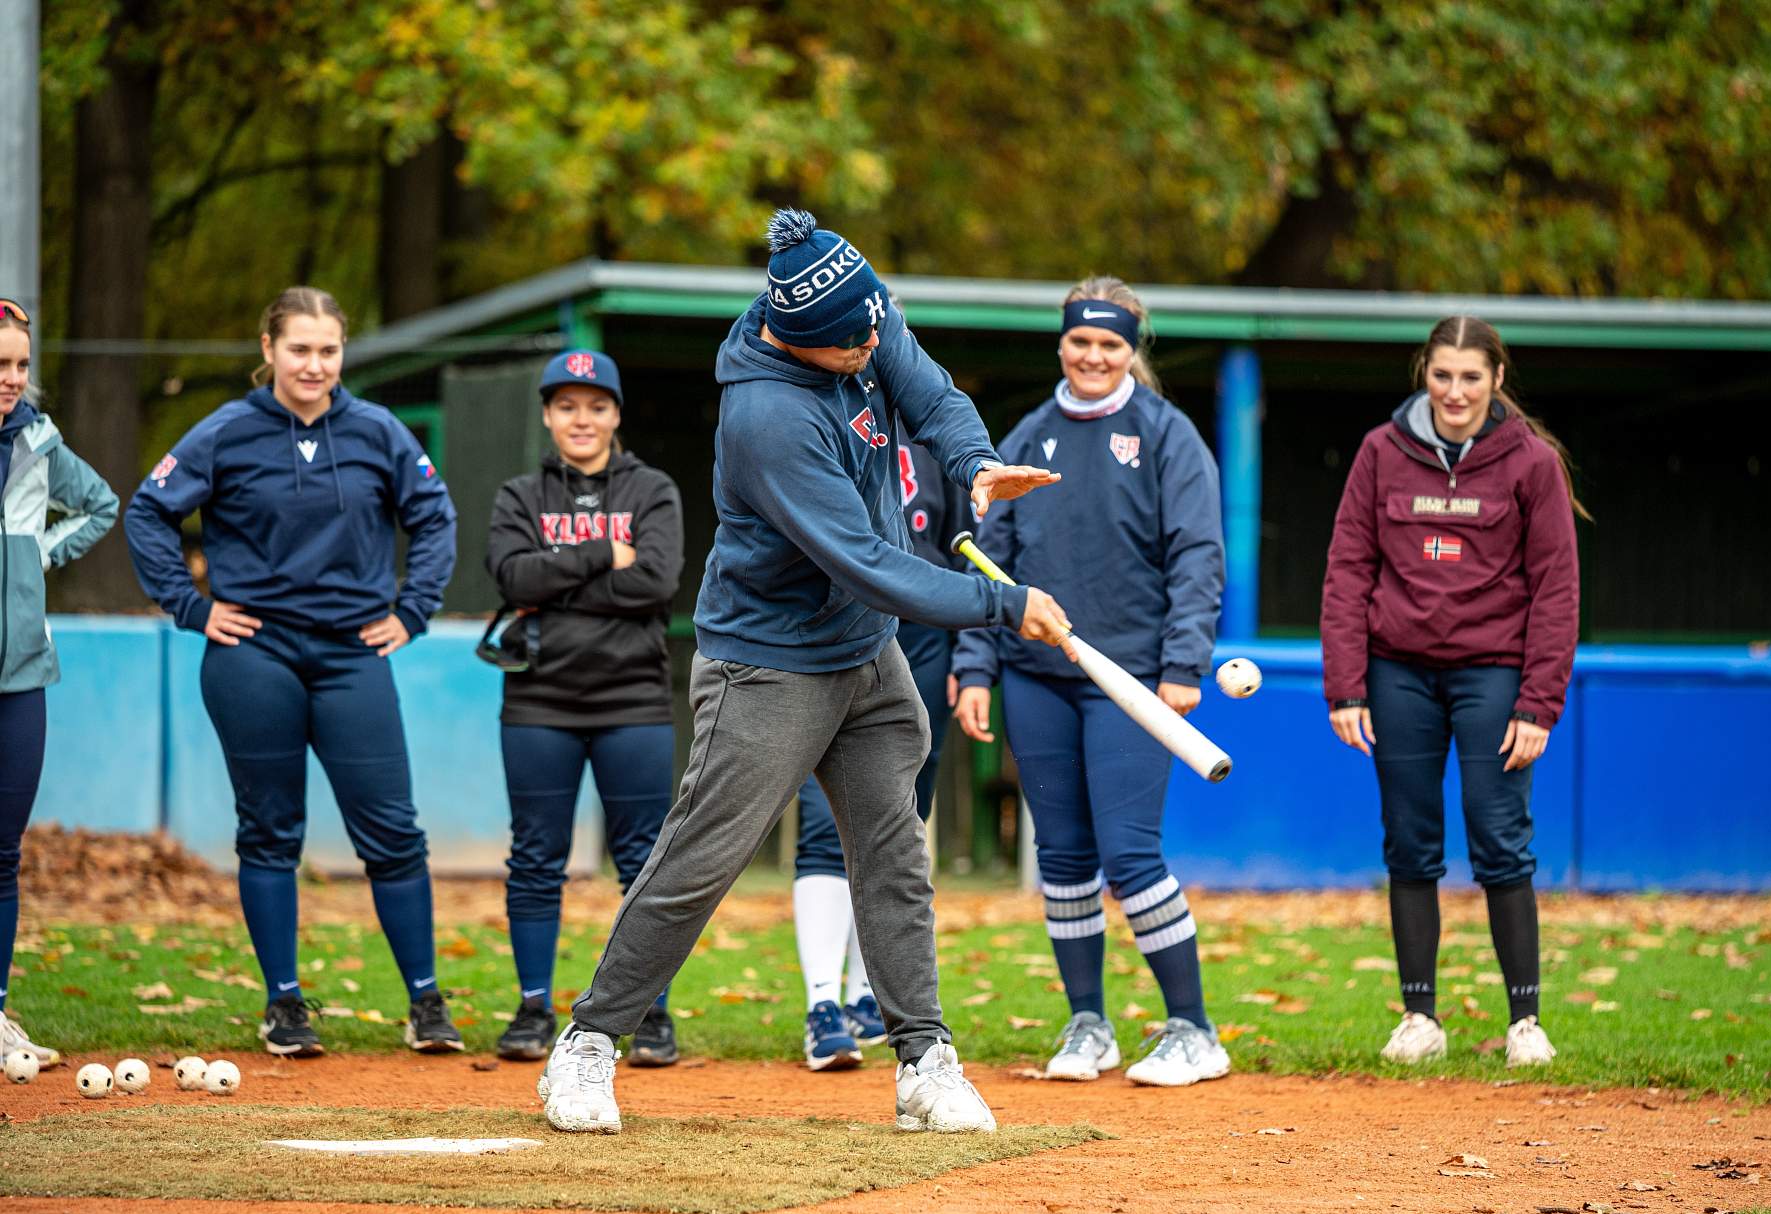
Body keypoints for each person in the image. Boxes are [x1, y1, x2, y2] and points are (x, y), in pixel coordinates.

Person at [538, 208, 1071, 1135]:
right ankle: (587, 1044)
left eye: (875, 328)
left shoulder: (855, 309)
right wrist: (1002, 603)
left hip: (867, 657)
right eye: (856, 344)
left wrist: (975, 461)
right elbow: (865, 561)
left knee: (896, 854)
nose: (873, 347)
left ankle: (924, 1060)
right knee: (701, 859)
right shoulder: (767, 417)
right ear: (798, 337)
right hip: (768, 666)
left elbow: (931, 390)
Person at [125, 286, 462, 1057]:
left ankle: (426, 1002)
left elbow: (435, 518)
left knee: (393, 832)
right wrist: (191, 605)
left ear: (343, 353)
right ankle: (283, 1005)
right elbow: (148, 511)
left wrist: (412, 611)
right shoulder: (226, 432)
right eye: (299, 349)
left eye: (328, 350)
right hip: (255, 653)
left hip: (352, 654)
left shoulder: (378, 431)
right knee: (270, 832)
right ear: (269, 349)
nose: (314, 365)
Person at [952, 277, 1228, 1088]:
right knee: (1063, 858)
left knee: (1130, 855)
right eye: (1081, 341)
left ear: (1131, 350)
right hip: (1036, 677)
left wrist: (1183, 664)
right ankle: (1088, 1025)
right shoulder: (1027, 436)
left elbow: (1197, 555)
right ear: (1061, 342)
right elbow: (988, 563)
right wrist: (975, 667)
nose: (1094, 356)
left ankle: (1195, 1030)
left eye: (1111, 344)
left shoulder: (1167, 434)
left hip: (1131, 677)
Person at [1319, 314, 1583, 1071]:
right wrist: (1346, 687)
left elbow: (1557, 589)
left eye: (1471, 377)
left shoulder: (1531, 463)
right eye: (1442, 375)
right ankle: (1419, 1018)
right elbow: (1348, 571)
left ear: (1497, 378)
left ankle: (1525, 1024)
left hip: (1493, 674)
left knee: (1499, 838)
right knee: (1409, 841)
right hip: (1396, 674)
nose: (1456, 391)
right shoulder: (1380, 451)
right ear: (1423, 375)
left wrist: (1538, 703)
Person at [484, 349, 684, 1065]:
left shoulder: (653, 489)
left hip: (634, 699)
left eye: (596, 406)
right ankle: (533, 1007)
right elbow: (512, 577)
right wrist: (604, 553)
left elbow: (656, 583)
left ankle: (650, 1013)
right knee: (536, 858)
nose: (582, 419)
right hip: (540, 701)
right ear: (547, 414)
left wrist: (556, 581)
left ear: (615, 414)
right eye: (566, 406)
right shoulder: (520, 496)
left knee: (645, 862)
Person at [790, 434, 970, 1071]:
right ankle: (822, 1006)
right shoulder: (815, 415)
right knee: (823, 822)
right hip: (831, 628)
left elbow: (964, 551)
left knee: (898, 823)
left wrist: (970, 658)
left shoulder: (934, 438)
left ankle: (868, 995)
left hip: (922, 639)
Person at [0, 297, 120, 1068]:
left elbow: (102, 506)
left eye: (20, 365)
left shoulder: (38, 442)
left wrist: (33, 556)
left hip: (21, 672)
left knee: (1, 855)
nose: (12, 378)